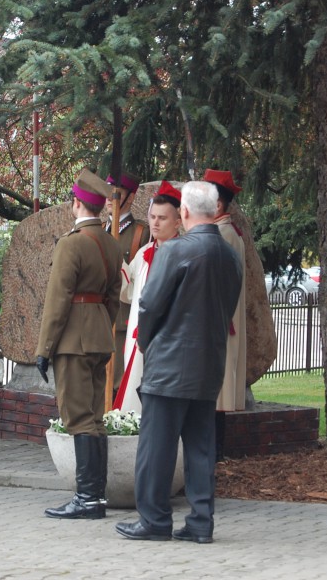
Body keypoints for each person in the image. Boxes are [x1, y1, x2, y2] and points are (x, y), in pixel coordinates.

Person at [115, 181, 242, 544]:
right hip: (208, 363)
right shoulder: (230, 254)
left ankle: (154, 521)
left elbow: (150, 307)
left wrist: (151, 343)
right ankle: (201, 522)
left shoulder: (175, 251)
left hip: (169, 364)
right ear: (216, 209)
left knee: (156, 446)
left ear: (184, 212)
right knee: (201, 448)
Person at [36, 170, 122, 520]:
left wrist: (44, 349)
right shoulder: (112, 244)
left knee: (79, 417)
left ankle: (87, 499)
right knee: (94, 417)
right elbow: (114, 298)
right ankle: (95, 497)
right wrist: (100, 325)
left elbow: (57, 301)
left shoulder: (71, 243)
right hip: (99, 337)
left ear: (75, 203)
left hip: (73, 341)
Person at [113, 181, 182, 415]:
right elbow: (129, 290)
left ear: (178, 221)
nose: (155, 222)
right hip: (137, 339)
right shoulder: (144, 253)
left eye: (162, 218)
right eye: (152, 216)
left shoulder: (184, 255)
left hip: (167, 344)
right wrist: (116, 260)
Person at [203, 169, 248, 459]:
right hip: (220, 322)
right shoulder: (226, 233)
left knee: (216, 392)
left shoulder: (224, 236)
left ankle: (215, 451)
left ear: (218, 205)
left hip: (218, 325)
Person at [104, 172, 150, 393]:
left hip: (122, 320)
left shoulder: (140, 232)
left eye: (116, 193)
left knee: (118, 386)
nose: (108, 197)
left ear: (130, 198)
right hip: (98, 319)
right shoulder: (100, 229)